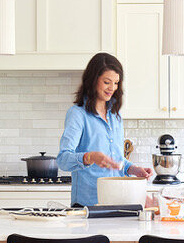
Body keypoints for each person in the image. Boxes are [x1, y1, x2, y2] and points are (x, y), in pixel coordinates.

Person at [57, 52, 152, 207]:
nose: (112, 88)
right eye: (107, 82)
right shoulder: (78, 114)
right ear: (93, 80)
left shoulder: (115, 115)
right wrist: (90, 157)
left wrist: (133, 169)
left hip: (116, 202)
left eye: (116, 83)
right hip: (88, 205)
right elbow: (63, 160)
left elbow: (116, 160)